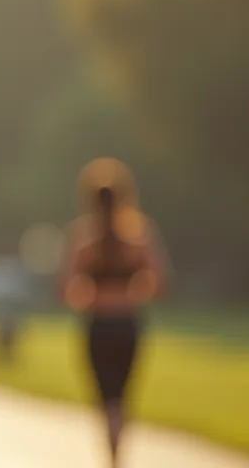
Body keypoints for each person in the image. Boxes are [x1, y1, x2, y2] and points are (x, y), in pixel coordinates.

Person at [59, 158, 167, 467]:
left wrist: (99, 295)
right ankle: (117, 456)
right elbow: (158, 281)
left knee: (106, 399)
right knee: (121, 397)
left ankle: (112, 456)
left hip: (100, 327)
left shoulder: (84, 238)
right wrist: (127, 293)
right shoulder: (138, 236)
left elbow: (68, 287)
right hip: (126, 324)